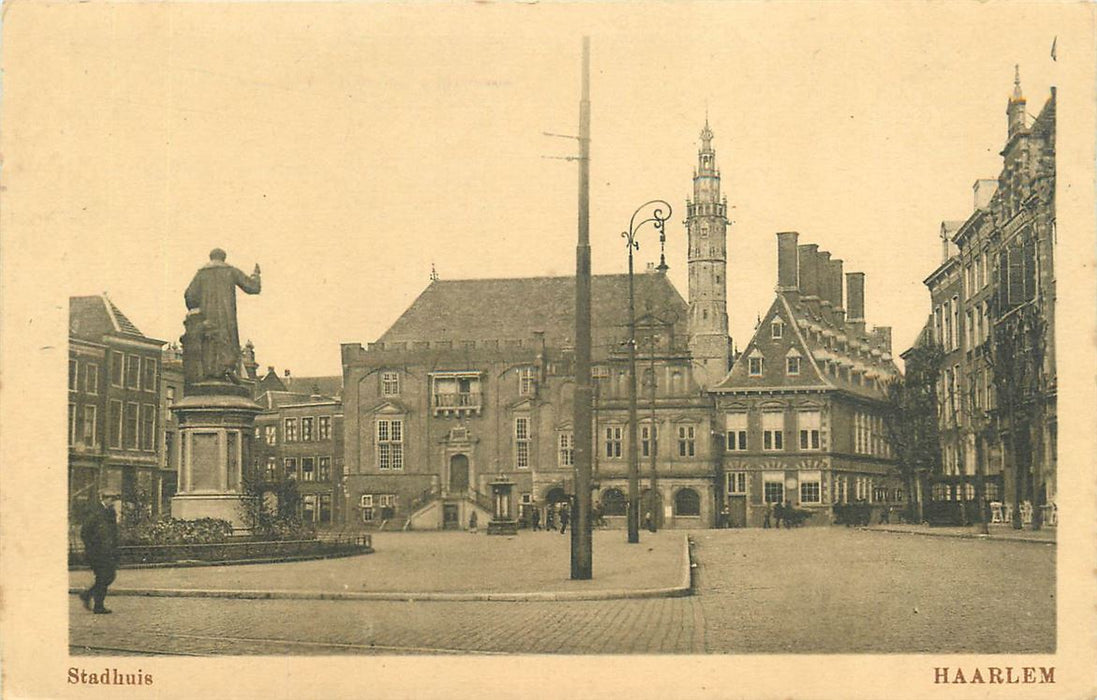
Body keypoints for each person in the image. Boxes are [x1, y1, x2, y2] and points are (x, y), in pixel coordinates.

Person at [183, 248, 261, 384]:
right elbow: (252, 287)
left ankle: (211, 373)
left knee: (208, 341)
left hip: (206, 317)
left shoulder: (202, 273)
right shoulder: (230, 270)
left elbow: (189, 295)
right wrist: (256, 274)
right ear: (224, 258)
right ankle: (224, 370)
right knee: (227, 340)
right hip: (226, 317)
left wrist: (198, 310)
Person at [79, 491, 120, 614]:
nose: (113, 502)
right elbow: (85, 532)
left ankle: (88, 594)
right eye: (111, 499)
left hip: (108, 551)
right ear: (104, 499)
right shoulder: (95, 512)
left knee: (108, 576)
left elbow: (113, 532)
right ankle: (98, 605)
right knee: (103, 576)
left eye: (114, 499)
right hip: (97, 551)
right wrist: (92, 547)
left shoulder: (110, 512)